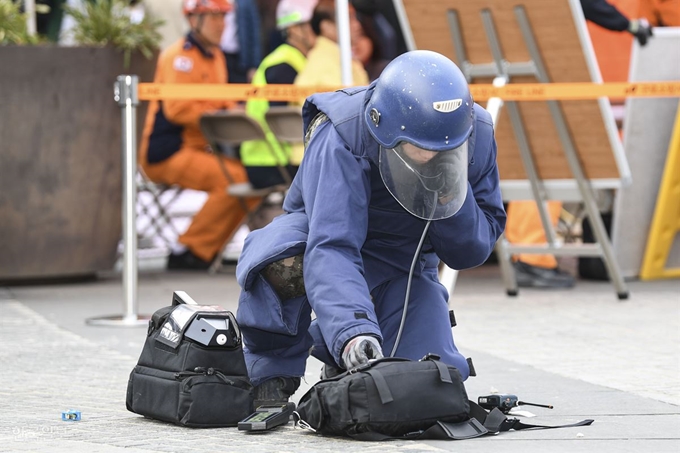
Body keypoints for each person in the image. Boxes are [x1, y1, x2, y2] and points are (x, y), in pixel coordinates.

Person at [235, 50, 506, 405]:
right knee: (282, 257)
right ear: (384, 128)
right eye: (418, 148)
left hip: (405, 258)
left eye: (443, 150)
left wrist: (448, 191)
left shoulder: (475, 132)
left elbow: (470, 251)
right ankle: (272, 372)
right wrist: (352, 333)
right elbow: (332, 246)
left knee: (421, 390)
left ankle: (343, 359)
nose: (431, 156)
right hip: (319, 240)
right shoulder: (342, 134)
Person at [505, 0, 655, 288]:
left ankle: (525, 256)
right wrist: (629, 25)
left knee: (534, 162)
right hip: (547, 72)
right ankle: (530, 259)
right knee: (548, 162)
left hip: (520, 69)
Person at [138, 0, 258, 270]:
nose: (221, 24)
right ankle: (190, 249)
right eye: (213, 17)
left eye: (223, 17)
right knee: (236, 180)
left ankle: (208, 248)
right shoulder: (178, 56)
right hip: (168, 151)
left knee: (250, 182)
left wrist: (236, 110)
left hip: (199, 148)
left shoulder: (216, 56)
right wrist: (219, 112)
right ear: (194, 20)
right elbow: (178, 110)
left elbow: (221, 100)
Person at [240, 0, 318, 190]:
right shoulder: (283, 65)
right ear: (295, 29)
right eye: (312, 24)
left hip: (273, 158)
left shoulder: (293, 59)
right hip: (271, 161)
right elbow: (281, 120)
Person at [293, 0, 369, 88]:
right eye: (348, 18)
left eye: (355, 18)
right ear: (326, 26)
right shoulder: (325, 64)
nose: (357, 25)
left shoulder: (337, 57)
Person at [220, 0, 263, 84]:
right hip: (219, 53)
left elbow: (254, 33)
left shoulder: (245, 3)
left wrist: (254, 65)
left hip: (239, 58)